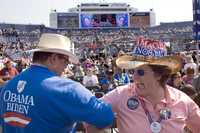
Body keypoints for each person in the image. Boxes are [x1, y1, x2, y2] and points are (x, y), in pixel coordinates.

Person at [0, 33, 114, 133]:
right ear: (53, 58)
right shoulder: (67, 89)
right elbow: (106, 116)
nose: (66, 66)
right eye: (66, 61)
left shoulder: (8, 86)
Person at [86, 39, 200, 133]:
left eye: (140, 72)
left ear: (159, 75)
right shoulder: (121, 95)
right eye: (133, 71)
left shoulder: (183, 102)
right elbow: (90, 114)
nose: (134, 77)